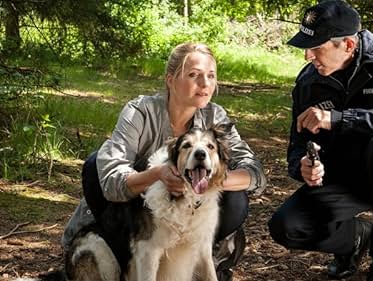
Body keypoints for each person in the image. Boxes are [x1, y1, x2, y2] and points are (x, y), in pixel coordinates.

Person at [62, 42, 267, 281]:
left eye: (211, 76)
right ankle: (126, 262)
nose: (205, 84)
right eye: (194, 75)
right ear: (170, 79)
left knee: (236, 199)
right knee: (94, 163)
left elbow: (255, 173)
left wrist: (213, 180)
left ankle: (190, 264)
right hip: (129, 217)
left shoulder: (215, 116)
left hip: (186, 219)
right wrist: (158, 174)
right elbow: (109, 181)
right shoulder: (140, 111)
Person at [267, 1, 373, 280]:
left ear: (347, 45)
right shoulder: (308, 82)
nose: (308, 56)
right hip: (345, 179)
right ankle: (355, 239)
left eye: (316, 47)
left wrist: (341, 119)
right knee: (287, 226)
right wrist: (305, 166)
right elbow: (296, 148)